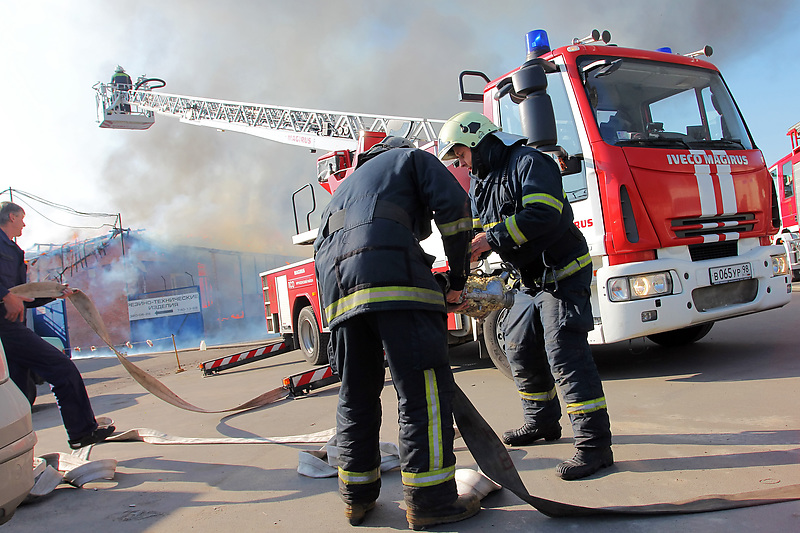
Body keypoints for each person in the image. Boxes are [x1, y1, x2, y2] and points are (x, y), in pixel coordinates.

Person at [313, 137, 478, 528]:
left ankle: (357, 497)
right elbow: (455, 209)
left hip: (338, 292)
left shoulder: (343, 190)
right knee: (423, 393)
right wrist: (457, 278)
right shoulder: (411, 159)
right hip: (392, 279)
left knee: (356, 394)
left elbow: (320, 248)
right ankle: (431, 501)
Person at [438, 112, 613, 481]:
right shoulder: (482, 181)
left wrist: (490, 239)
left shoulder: (530, 162)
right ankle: (542, 421)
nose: (460, 162)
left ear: (477, 140)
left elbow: (543, 215)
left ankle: (594, 446)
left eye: (461, 154)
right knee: (517, 344)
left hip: (562, 275)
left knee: (564, 354)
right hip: (528, 280)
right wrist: (471, 250)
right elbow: (483, 228)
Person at [0, 202, 114, 449]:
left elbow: (24, 297)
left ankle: (17, 456)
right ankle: (82, 433)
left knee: (19, 397)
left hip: (13, 329)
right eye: (22, 218)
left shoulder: (16, 253)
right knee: (62, 369)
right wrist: (5, 296)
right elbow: (11, 297)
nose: (24, 223)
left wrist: (56, 293)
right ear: (11, 216)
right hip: (5, 328)